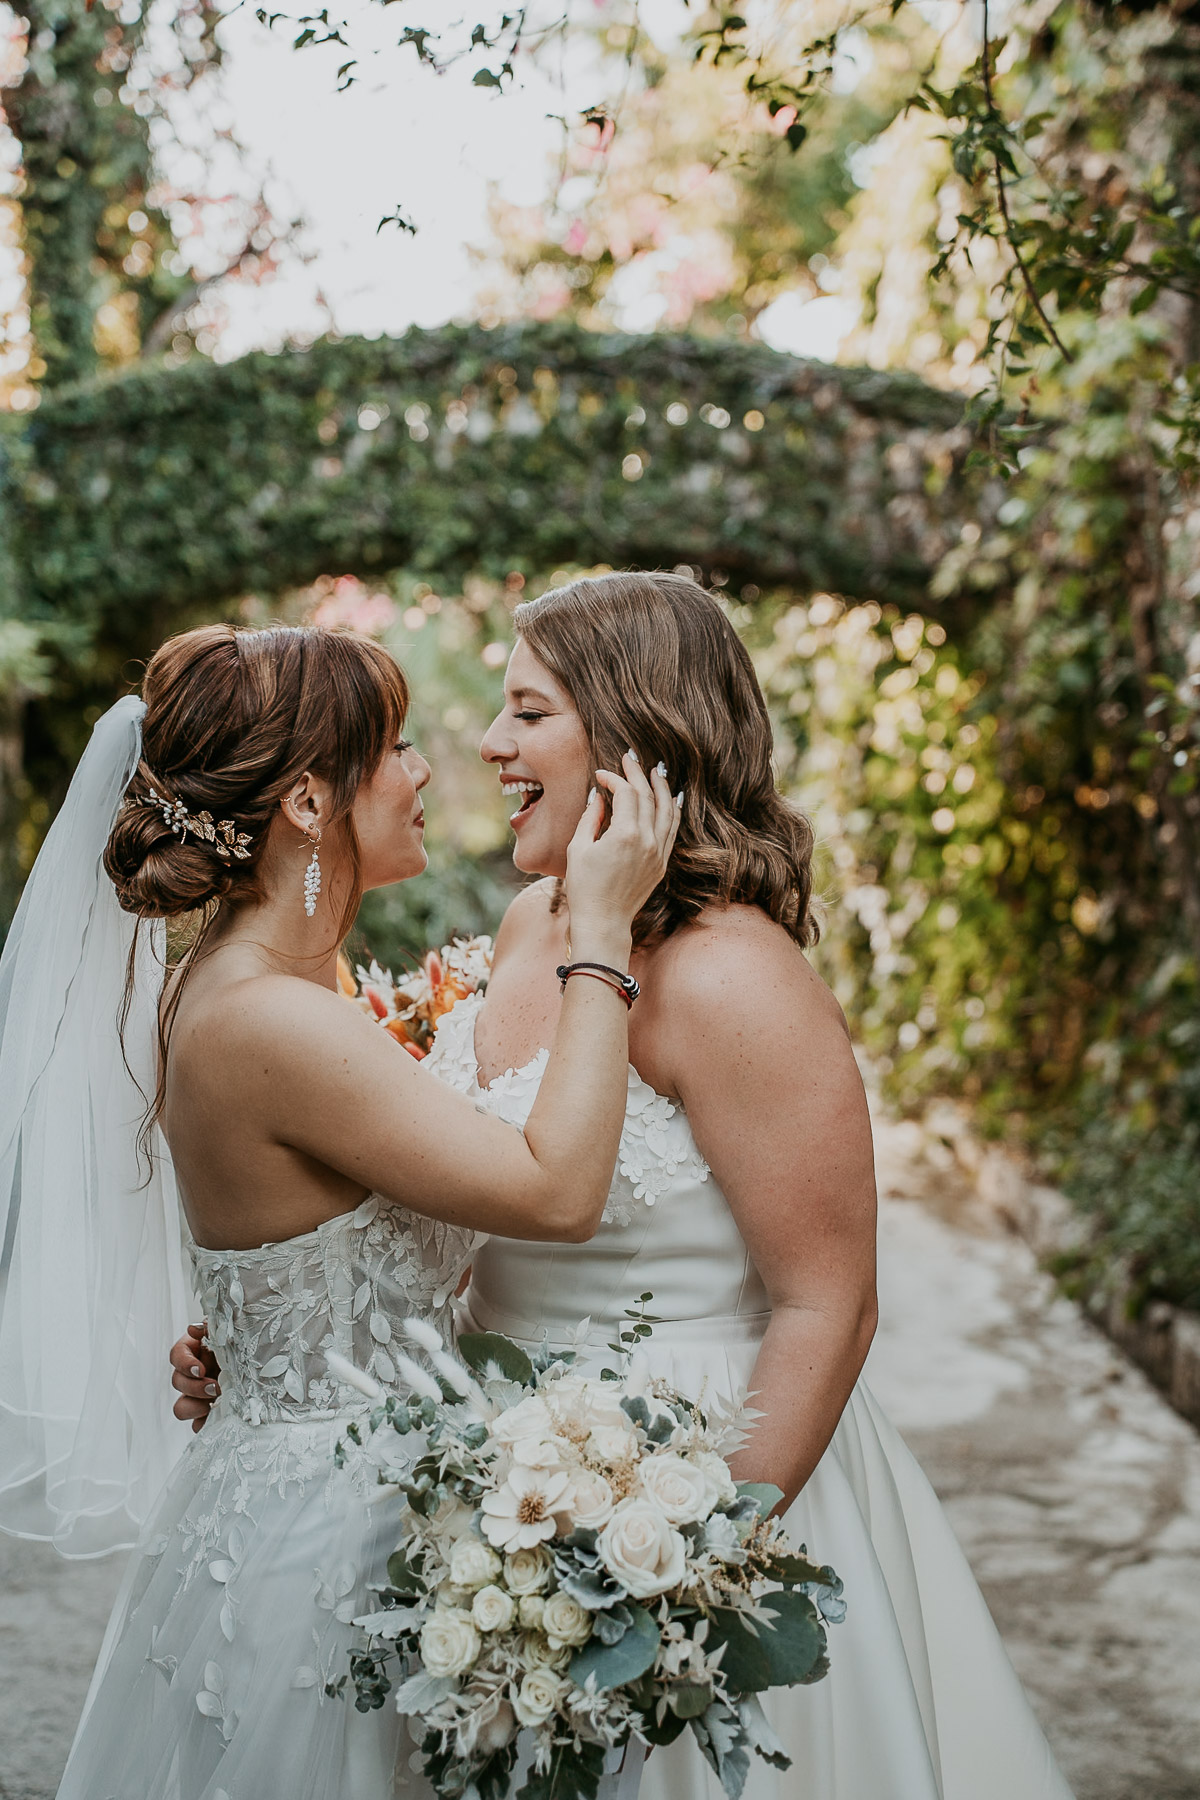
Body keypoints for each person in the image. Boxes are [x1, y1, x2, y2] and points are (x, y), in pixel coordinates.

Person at [172, 576, 1077, 1800]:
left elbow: (829, 1304)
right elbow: (470, 1201)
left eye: (527, 713)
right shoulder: (535, 927)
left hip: (693, 1484)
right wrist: (306, 1337)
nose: (486, 746)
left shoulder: (732, 977)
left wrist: (688, 1562)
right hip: (492, 1504)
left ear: (633, 735)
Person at [0, 621, 679, 1800]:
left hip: (315, 1478)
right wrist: (606, 933)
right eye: (399, 749)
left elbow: (313, 1245)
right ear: (310, 803)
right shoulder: (271, 1020)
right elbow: (555, 1193)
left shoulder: (252, 986)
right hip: (330, 1541)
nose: (427, 773)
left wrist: (262, 1343)